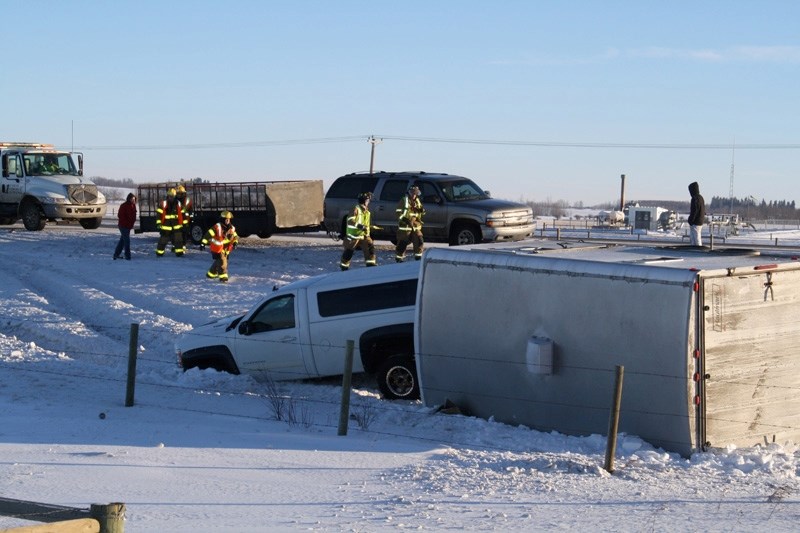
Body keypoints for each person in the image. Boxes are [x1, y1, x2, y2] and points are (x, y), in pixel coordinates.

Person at [340, 192, 378, 271]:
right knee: (348, 252)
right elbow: (350, 221)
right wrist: (360, 226)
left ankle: (371, 265)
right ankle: (344, 267)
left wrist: (370, 228)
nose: (369, 202)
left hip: (364, 235)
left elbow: (365, 224)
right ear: (364, 201)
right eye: (368, 200)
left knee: (370, 248)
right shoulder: (355, 209)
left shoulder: (367, 212)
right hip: (353, 236)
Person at [201, 211, 239, 282]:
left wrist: (235, 243)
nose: (227, 220)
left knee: (219, 261)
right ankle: (223, 277)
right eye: (226, 219)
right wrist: (203, 243)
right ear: (222, 219)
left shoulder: (232, 228)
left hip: (226, 249)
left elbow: (235, 237)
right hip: (218, 248)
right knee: (222, 262)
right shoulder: (217, 227)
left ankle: (211, 274)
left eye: (229, 219)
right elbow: (208, 234)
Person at [395, 185, 425, 262]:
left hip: (415, 225)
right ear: (409, 192)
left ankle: (418, 257)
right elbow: (398, 212)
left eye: (415, 193)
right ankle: (399, 258)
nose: (413, 195)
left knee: (419, 240)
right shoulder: (404, 200)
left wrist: (422, 210)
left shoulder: (417, 201)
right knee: (402, 243)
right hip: (405, 226)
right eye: (412, 193)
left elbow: (422, 212)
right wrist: (404, 219)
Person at [155, 188, 186, 257]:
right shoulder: (163, 203)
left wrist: (184, 224)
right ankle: (159, 253)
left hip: (177, 226)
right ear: (168, 196)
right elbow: (159, 214)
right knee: (162, 241)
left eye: (172, 196)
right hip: (166, 226)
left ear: (174, 196)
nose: (171, 197)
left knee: (178, 241)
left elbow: (183, 214)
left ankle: (179, 253)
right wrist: (158, 223)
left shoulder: (178, 204)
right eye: (170, 196)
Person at [113, 193, 137, 260]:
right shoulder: (124, 206)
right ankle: (128, 256)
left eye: (134, 199)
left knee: (122, 241)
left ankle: (116, 255)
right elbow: (120, 216)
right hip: (123, 226)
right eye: (132, 199)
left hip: (128, 226)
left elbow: (133, 216)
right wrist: (127, 223)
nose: (133, 200)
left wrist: (131, 224)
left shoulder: (133, 206)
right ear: (129, 199)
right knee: (127, 241)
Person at [688, 181, 706, 246]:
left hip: (696, 221)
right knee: (697, 237)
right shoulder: (701, 197)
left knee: (695, 238)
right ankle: (697, 249)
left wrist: (691, 220)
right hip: (700, 220)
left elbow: (694, 210)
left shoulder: (695, 198)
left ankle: (697, 250)